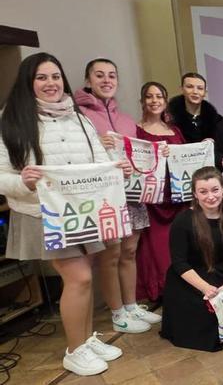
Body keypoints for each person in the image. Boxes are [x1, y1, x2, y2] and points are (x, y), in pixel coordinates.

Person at [0, 53, 130, 376]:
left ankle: (85, 340)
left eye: (55, 77)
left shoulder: (79, 118)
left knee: (83, 276)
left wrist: (118, 169)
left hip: (82, 211)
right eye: (42, 78)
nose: (51, 84)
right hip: (43, 214)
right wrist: (22, 182)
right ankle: (74, 350)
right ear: (28, 82)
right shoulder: (11, 120)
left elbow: (98, 160)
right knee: (80, 277)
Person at [75, 58, 161, 334]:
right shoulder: (80, 117)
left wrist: (159, 153)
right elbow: (74, 157)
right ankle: (117, 312)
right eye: (99, 75)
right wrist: (97, 144)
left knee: (129, 251)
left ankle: (131, 305)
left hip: (131, 193)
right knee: (110, 255)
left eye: (112, 75)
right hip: (105, 196)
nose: (106, 80)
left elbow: (139, 155)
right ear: (88, 81)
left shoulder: (126, 120)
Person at [160, 167, 223, 352]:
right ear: (195, 194)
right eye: (203, 192)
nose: (210, 196)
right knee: (209, 317)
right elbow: (179, 263)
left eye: (215, 190)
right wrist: (205, 288)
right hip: (192, 276)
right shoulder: (183, 221)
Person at [135, 81, 188, 302]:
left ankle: (184, 285)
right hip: (153, 198)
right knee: (155, 246)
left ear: (165, 102)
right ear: (142, 101)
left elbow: (185, 158)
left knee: (180, 242)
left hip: (177, 197)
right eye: (150, 96)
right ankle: (160, 290)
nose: (155, 101)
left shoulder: (174, 131)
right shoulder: (135, 130)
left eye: (159, 96)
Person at [168, 72, 222, 143]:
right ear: (182, 89)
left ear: (205, 93)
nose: (195, 92)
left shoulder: (217, 121)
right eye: (189, 87)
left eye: (200, 88)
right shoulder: (169, 119)